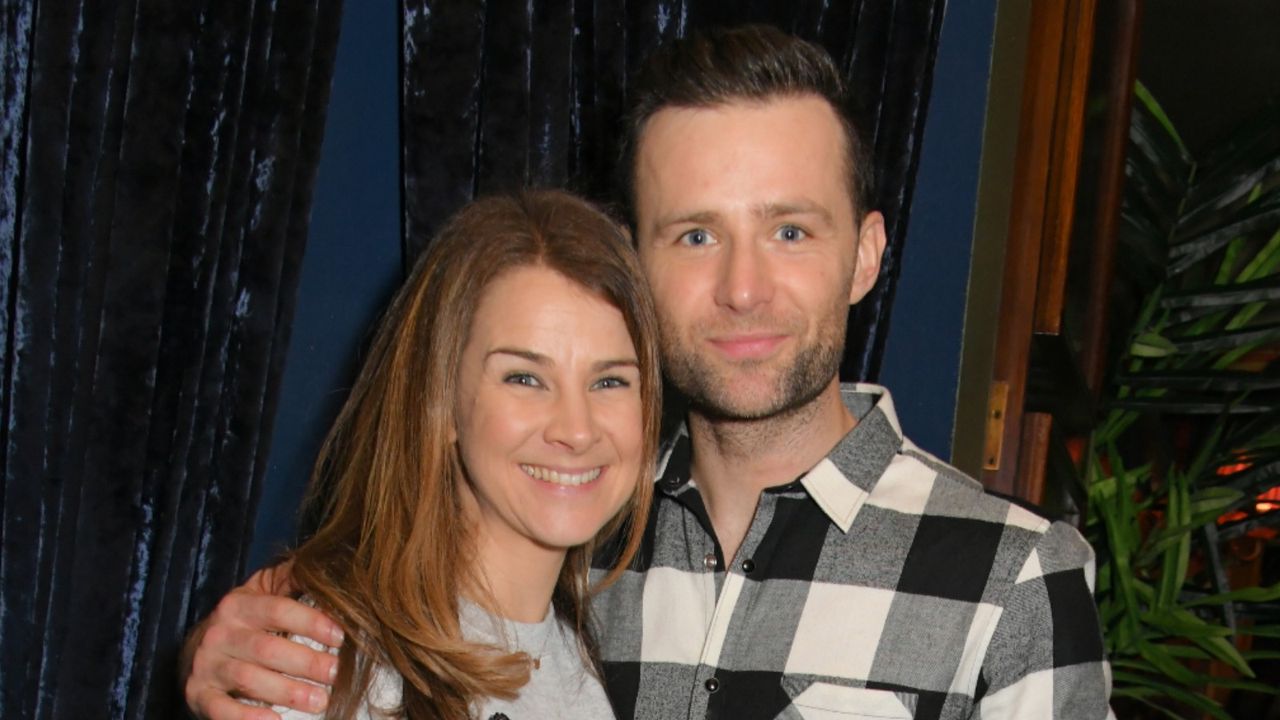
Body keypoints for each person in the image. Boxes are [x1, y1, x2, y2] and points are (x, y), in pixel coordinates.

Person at [184, 25, 1113, 720]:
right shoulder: (573, 529)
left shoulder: (1014, 578)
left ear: (866, 254)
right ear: (632, 263)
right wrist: (246, 646)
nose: (743, 287)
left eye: (790, 231)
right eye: (696, 234)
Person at [196, 190, 663, 719]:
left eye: (609, 380)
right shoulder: (325, 657)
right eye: (525, 378)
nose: (577, 430)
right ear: (441, 401)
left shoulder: (578, 658)